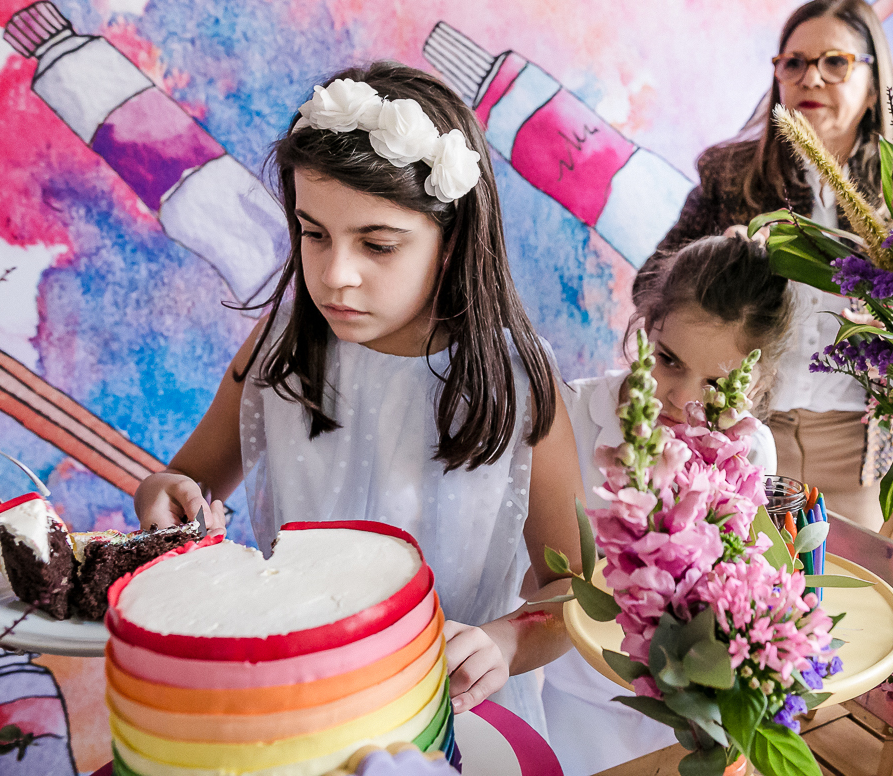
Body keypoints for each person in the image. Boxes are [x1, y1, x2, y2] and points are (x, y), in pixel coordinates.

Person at [132, 62, 584, 735]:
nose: (335, 275)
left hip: (459, 721)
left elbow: (576, 587)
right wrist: (164, 496)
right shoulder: (280, 350)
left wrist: (505, 642)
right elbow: (184, 481)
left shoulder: (517, 378)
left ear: (452, 239)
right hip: (297, 716)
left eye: (377, 244)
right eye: (315, 234)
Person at [635, 0, 893, 529]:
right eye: (794, 63)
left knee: (851, 606)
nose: (811, 78)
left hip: (860, 453)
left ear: (872, 86)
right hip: (744, 436)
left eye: (836, 63)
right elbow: (648, 286)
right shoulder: (732, 175)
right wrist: (712, 260)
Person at [544, 235, 793, 775]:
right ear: (644, 328)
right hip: (573, 708)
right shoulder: (568, 417)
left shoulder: (752, 449)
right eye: (668, 360)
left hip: (697, 724)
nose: (682, 398)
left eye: (716, 383)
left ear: (760, 382)